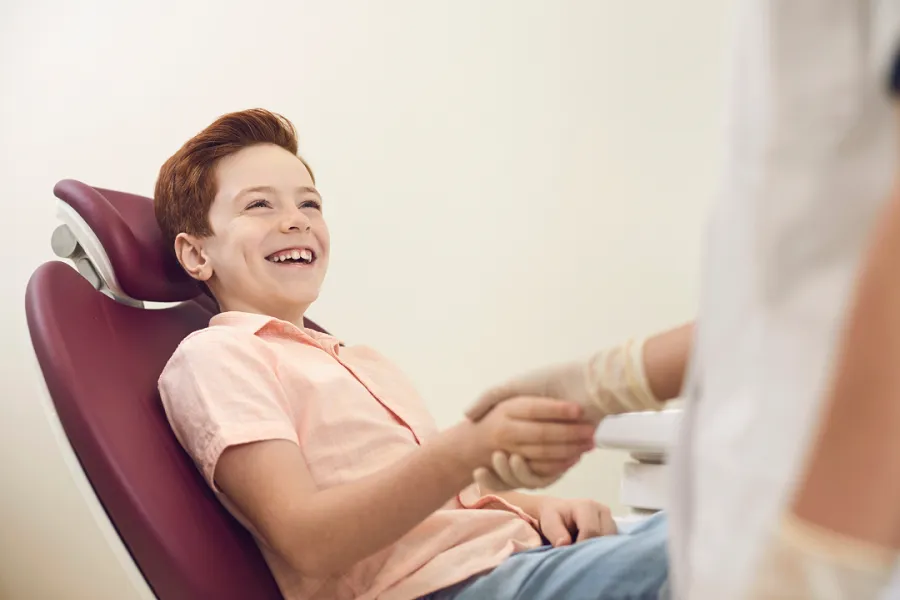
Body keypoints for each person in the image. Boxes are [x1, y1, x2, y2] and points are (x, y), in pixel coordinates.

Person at [467, 2, 900, 598]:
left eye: (310, 202)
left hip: (848, 515)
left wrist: (822, 567)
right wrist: (611, 379)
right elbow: (803, 276)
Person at [154, 108, 669, 600]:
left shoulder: (359, 361)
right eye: (259, 204)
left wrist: (543, 506)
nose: (296, 221)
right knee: (722, 548)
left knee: (717, 520)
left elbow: (450, 501)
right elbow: (308, 540)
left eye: (309, 203)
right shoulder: (219, 356)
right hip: (452, 587)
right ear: (197, 253)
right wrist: (468, 446)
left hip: (517, 557)